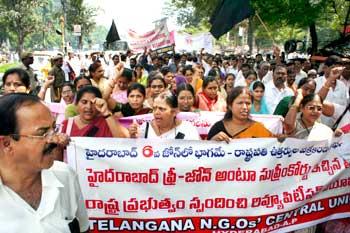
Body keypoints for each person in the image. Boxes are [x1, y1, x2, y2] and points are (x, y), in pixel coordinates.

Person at [0, 93, 89, 232]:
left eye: (54, 128)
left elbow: (83, 228)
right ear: (6, 143)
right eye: (42, 133)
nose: (54, 139)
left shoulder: (65, 176)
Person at [208, 86, 273, 141]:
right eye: (240, 103)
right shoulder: (217, 128)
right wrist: (213, 141)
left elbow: (272, 146)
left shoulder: (259, 129)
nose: (245, 107)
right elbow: (205, 151)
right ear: (230, 106)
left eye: (248, 103)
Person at [60, 86, 128, 138]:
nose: (89, 107)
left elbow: (123, 141)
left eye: (93, 103)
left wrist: (106, 112)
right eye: (84, 102)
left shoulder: (107, 122)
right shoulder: (67, 125)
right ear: (76, 104)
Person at [128, 92, 200, 139]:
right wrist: (133, 138)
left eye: (161, 109)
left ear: (174, 112)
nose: (156, 112)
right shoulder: (145, 128)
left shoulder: (188, 130)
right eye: (154, 108)